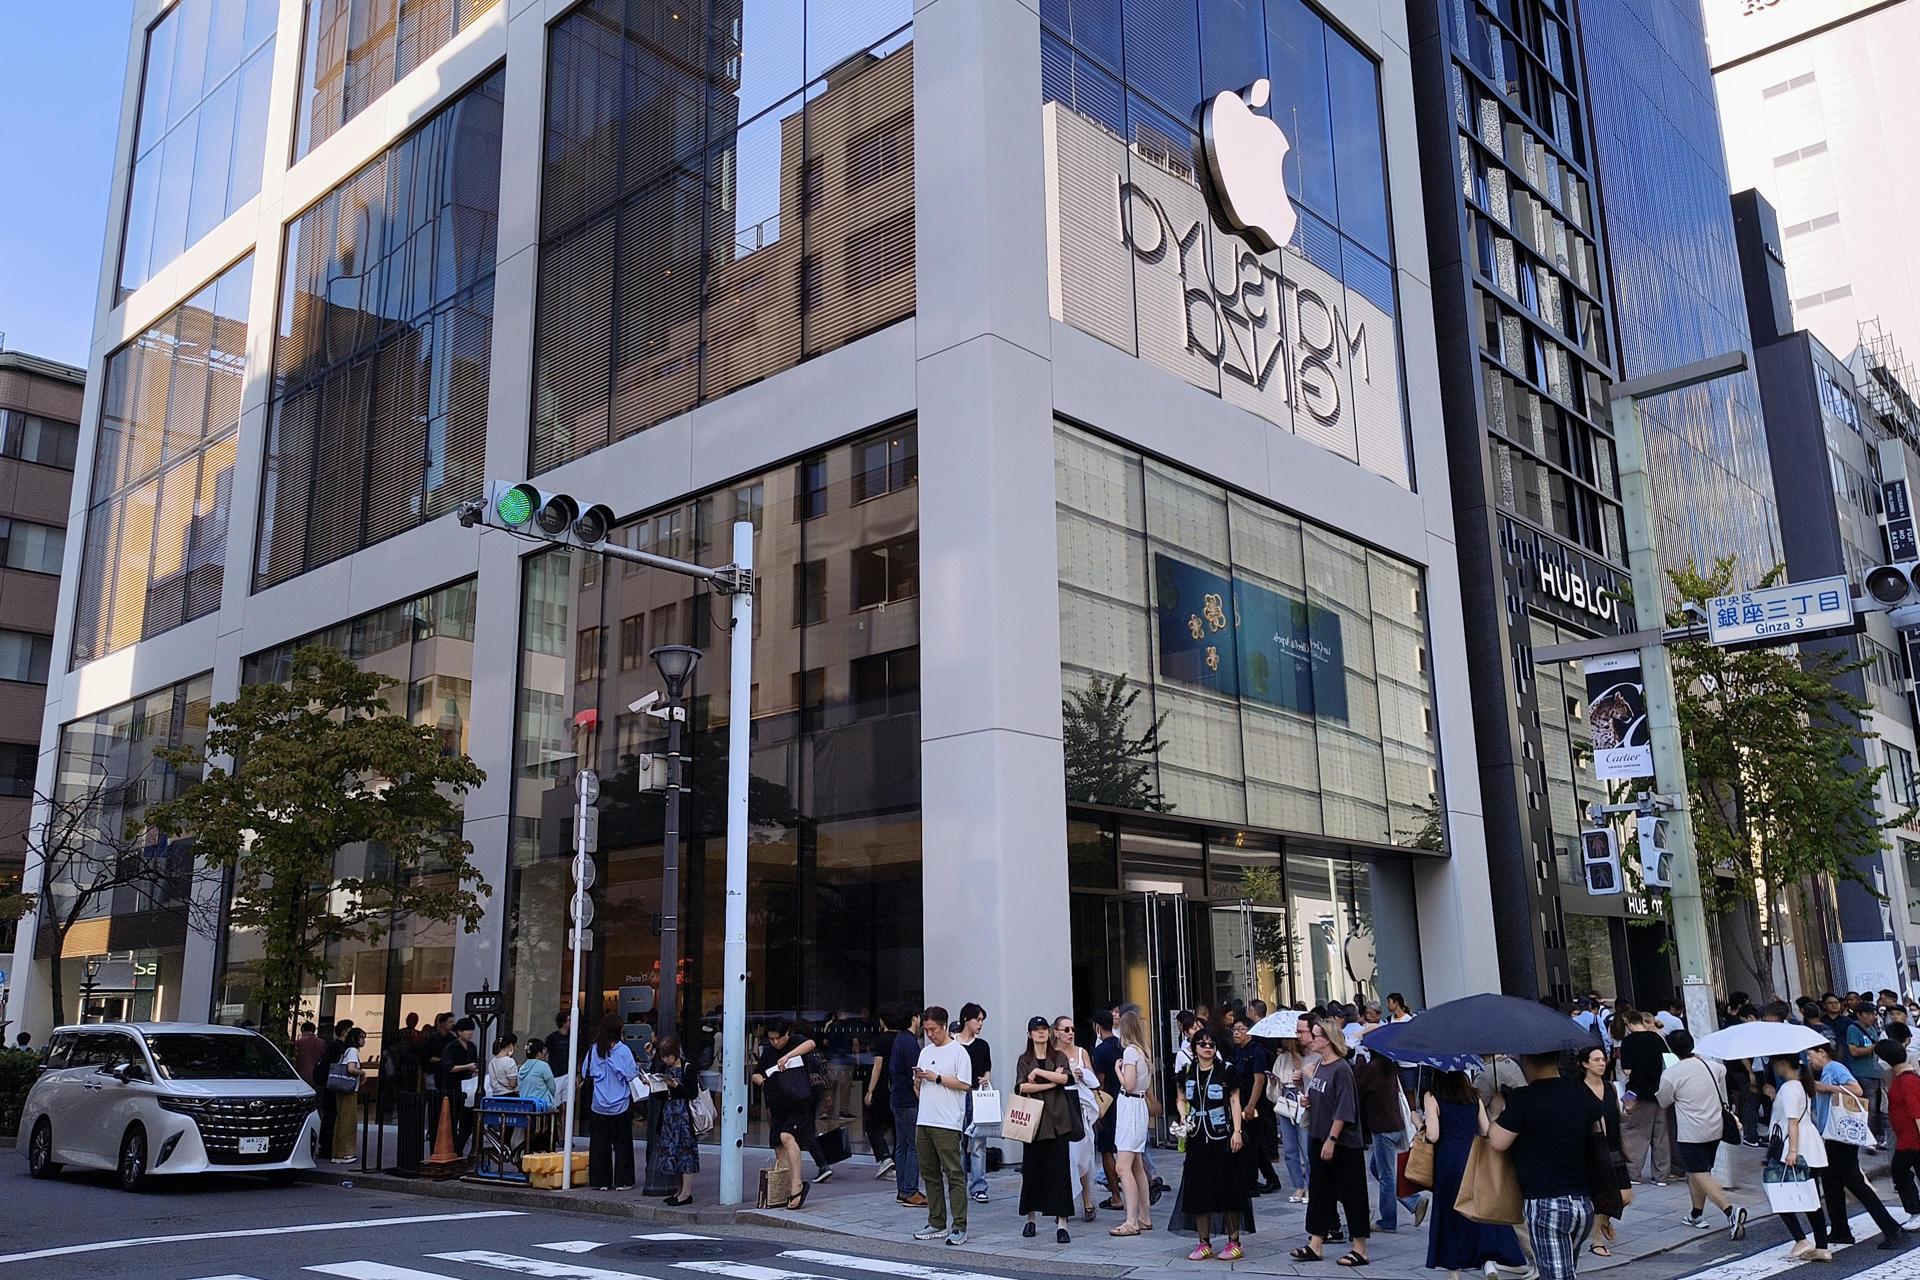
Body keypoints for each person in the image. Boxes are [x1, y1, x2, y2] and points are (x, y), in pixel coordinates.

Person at [1488, 1053, 1607, 1280]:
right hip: (1583, 1203)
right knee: (1566, 1269)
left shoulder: (1524, 1098)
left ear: (1528, 1061)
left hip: (1546, 1203)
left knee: (1556, 1275)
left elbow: (1497, 1141)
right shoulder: (1581, 1092)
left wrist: (1496, 1111)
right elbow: (1599, 1131)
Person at [1423, 1069, 1527, 1278]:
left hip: (1447, 1161)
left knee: (1450, 1213)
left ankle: (1455, 1271)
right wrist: (1497, 1109)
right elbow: (1486, 1129)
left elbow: (1433, 1135)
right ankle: (1488, 1262)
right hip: (1472, 1157)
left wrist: (1418, 1122)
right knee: (1478, 1210)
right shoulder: (1473, 1095)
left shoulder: (1432, 1096)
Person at [1807, 1039, 1906, 1247]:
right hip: (1831, 1134)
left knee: (1854, 1182)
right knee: (1831, 1181)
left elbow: (1857, 1090)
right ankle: (1840, 1229)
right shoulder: (1827, 1070)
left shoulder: (1834, 1067)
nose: (1809, 1060)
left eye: (1811, 1055)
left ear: (1822, 1052)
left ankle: (1892, 1228)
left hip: (1841, 1134)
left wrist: (1826, 1087)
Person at [1654, 1030, 1748, 1239]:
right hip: (1715, 1127)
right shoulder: (1711, 1066)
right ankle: (1696, 1214)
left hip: (1691, 1131)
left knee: (1699, 1172)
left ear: (1671, 1049)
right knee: (1700, 1172)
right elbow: (1723, 1072)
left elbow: (1663, 1100)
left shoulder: (1671, 1074)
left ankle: (1730, 1210)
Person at [1292, 1020, 1370, 1266]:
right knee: (1320, 1192)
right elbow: (1320, 1097)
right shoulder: (1318, 1067)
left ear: (1327, 1039)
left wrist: (1332, 1139)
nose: (1310, 1040)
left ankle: (1360, 1248)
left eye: (1314, 1036)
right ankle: (1315, 1243)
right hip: (1318, 1135)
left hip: (1342, 1142)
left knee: (1351, 1194)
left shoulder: (1341, 1069)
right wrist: (1306, 1099)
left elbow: (1345, 1108)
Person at [1170, 1028, 1251, 1260]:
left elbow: (1235, 1100)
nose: (1208, 1048)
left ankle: (1233, 1240)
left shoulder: (1226, 1070)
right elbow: (1181, 1099)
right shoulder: (1187, 1071)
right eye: (1203, 1044)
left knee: (1228, 1188)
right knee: (1198, 1189)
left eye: (1212, 1044)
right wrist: (1183, 1119)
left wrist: (1237, 1131)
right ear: (1194, 1048)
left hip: (1221, 1135)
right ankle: (1203, 1242)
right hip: (1197, 1137)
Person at [910, 1005, 973, 1246]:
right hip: (924, 1117)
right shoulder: (925, 1052)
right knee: (929, 1173)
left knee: (953, 1173)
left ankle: (959, 1225)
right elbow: (919, 1090)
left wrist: (936, 1077)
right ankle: (936, 1220)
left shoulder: (959, 1052)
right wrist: (918, 1080)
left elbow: (965, 1085)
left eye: (933, 1029)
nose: (930, 1034)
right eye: (926, 1030)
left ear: (945, 1026)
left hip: (947, 1121)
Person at [1014, 1016, 1077, 1244]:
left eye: (1043, 1029)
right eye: (1036, 1030)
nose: (1041, 1033)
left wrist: (1041, 1075)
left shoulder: (1058, 1056)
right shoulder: (1024, 1059)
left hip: (1058, 1121)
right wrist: (1051, 1083)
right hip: (1033, 1123)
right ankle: (1030, 1219)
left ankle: (1062, 1223)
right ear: (1029, 1034)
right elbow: (1022, 1086)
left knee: (1060, 1173)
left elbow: (1065, 1077)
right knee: (1031, 1172)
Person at [1765, 1054, 1833, 1261]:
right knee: (1811, 1198)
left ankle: (1801, 1239)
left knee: (1777, 1191)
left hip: (1794, 1147)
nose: (1774, 1067)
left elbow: (1791, 1122)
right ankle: (1821, 1246)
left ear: (1783, 1063)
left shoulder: (1788, 1088)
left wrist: (1792, 1151)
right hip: (1810, 1146)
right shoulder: (1802, 1086)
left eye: (1776, 1062)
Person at [1355, 1041, 1423, 1232]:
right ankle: (1413, 1201)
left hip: (1383, 1127)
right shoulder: (1389, 1066)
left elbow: (1358, 1086)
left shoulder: (1374, 1068)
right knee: (1377, 1168)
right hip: (1393, 1123)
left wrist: (1360, 1060)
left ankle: (1388, 1220)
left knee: (1386, 1175)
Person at [753, 1017, 821, 1204]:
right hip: (777, 1103)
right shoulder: (768, 1052)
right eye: (771, 1039)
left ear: (786, 1034)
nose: (775, 1042)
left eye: (778, 1038)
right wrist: (764, 1083)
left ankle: (796, 1185)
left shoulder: (795, 1042)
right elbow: (756, 1074)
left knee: (786, 1136)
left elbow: (811, 1043)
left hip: (799, 1102)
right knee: (778, 1143)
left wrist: (788, 1056)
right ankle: (784, 1188)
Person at [1105, 1007, 1156, 1236]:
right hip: (1139, 1105)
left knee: (1122, 1166)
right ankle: (1144, 1216)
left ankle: (1131, 1220)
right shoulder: (1143, 1052)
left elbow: (1128, 1083)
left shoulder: (1129, 1053)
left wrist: (1117, 1070)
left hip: (1130, 1106)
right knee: (1136, 1165)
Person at [1576, 1045, 1627, 1258]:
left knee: (1625, 1195)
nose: (1602, 1063)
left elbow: (1617, 1113)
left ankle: (1605, 1219)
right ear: (1585, 1064)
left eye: (1603, 1059)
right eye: (1596, 1060)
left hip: (1614, 1145)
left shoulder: (1610, 1087)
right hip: (1593, 1148)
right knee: (1602, 1195)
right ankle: (1595, 1241)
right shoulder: (1579, 1090)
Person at [582, 1012, 638, 1191]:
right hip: (620, 1104)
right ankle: (623, 1180)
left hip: (598, 1104)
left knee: (599, 1145)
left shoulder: (594, 1050)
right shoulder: (623, 1050)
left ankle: (600, 1181)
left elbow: (585, 1073)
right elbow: (631, 1074)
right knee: (622, 1145)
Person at [1229, 1015, 1283, 1196]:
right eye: (1234, 1029)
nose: (1236, 1033)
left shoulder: (1256, 1052)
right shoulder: (1237, 1051)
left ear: (1249, 1032)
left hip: (1255, 1104)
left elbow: (1259, 1080)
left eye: (1241, 1029)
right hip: (1240, 1101)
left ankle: (1250, 1185)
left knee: (1250, 1145)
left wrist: (1251, 1106)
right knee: (1256, 1144)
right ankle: (1272, 1179)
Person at [1616, 1011, 1672, 1186]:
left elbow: (1627, 1071)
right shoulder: (1657, 1039)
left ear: (1628, 1023)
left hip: (1638, 1093)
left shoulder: (1629, 1042)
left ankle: (1633, 1173)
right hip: (1660, 1091)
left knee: (1636, 1134)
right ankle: (1661, 1175)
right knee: (1661, 1136)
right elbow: (1668, 1064)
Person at [1055, 1014, 1101, 1222]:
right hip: (1059, 1110)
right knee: (1063, 1158)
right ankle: (1063, 1204)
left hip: (1080, 1110)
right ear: (1056, 1032)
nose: (1070, 1033)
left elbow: (1094, 1081)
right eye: (1066, 1030)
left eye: (1072, 1029)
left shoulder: (1082, 1053)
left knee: (1082, 1155)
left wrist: (1082, 1074)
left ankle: (1087, 1199)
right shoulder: (1052, 1054)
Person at [1873, 1040, 1920, 1226]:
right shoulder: (1904, 1078)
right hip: (1907, 1136)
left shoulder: (1907, 1081)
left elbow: (1917, 1113)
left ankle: (1915, 1211)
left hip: (1911, 1139)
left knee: (1899, 1172)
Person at [650, 1035, 701, 1206]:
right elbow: (660, 1096)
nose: (666, 1060)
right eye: (663, 1057)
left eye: (668, 1056)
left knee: (685, 1154)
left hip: (684, 1118)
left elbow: (692, 1093)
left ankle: (686, 1193)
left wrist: (676, 1086)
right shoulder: (664, 1068)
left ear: (675, 1053)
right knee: (673, 1155)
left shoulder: (688, 1068)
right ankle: (679, 1191)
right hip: (669, 1116)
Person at [888, 1009, 927, 1206]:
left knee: (902, 1146)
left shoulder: (899, 1039)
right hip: (908, 1100)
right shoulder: (910, 1042)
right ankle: (911, 1190)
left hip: (897, 1098)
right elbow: (916, 1074)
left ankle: (903, 1189)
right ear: (914, 1018)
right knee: (914, 1145)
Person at [955, 1002, 993, 1205]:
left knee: (979, 1142)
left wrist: (986, 1078)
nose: (980, 1024)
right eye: (977, 1019)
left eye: (981, 1020)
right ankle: (959, 1184)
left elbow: (987, 1068)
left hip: (977, 1094)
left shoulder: (982, 1045)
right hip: (958, 1095)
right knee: (958, 1141)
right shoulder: (953, 1044)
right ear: (965, 1019)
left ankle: (979, 1186)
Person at [1275, 1023, 1316, 1204]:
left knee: (1305, 1146)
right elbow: (1277, 1079)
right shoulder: (1282, 1058)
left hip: (1301, 1101)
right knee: (1289, 1148)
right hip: (1286, 1100)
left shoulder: (1310, 1056)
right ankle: (1298, 1185)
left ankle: (1310, 1185)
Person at [1090, 1009, 1125, 1211]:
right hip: (1125, 1102)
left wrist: (1098, 1107)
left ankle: (1116, 1196)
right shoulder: (1123, 1046)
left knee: (1106, 1150)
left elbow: (1099, 1081)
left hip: (1109, 1103)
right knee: (1124, 1149)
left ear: (1097, 1026)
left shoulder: (1101, 1051)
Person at [864, 1008, 900, 1179]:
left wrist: (870, 1090)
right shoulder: (904, 1039)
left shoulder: (881, 1040)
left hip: (882, 1089)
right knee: (896, 1128)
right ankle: (895, 1163)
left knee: (872, 1127)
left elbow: (877, 1066)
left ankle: (885, 1158)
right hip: (898, 1089)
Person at [438, 1016, 481, 1151]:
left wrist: (474, 1069)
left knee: (467, 1120)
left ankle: (459, 1147)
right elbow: (447, 1067)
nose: (470, 1033)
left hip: (468, 1088)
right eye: (466, 1030)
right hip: (453, 1087)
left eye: (471, 1030)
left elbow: (475, 1063)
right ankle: (453, 1149)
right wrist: (467, 1066)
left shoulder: (472, 1047)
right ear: (459, 1032)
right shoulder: (452, 1046)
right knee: (453, 1118)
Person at [1846, 1004, 1886, 1141]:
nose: (1872, 1017)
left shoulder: (1873, 1029)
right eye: (1868, 1014)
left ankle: (1876, 1136)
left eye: (1873, 1014)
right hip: (1862, 1073)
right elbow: (1854, 1051)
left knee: (1878, 1108)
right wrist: (1873, 1048)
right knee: (1870, 1108)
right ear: (1859, 1015)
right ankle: (1868, 1138)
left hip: (1876, 1072)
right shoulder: (1853, 1029)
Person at [318, 1019, 354, 1155]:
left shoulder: (333, 1045)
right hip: (335, 1084)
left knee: (330, 1114)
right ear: (345, 1031)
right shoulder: (340, 1047)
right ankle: (328, 1146)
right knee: (332, 1115)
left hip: (330, 1084)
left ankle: (326, 1145)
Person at [330, 1026, 365, 1162]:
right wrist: (362, 1073)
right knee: (348, 1122)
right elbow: (351, 1068)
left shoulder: (346, 1050)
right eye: (361, 1037)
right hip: (349, 1090)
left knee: (341, 1120)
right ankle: (346, 1152)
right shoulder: (352, 1051)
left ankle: (337, 1153)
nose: (363, 1040)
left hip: (341, 1089)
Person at [519, 1037, 557, 1109]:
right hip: (542, 1105)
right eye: (544, 1050)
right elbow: (552, 1087)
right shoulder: (543, 1066)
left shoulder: (522, 1068)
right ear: (539, 1054)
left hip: (525, 1105)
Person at [293, 1021, 325, 1089]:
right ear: (314, 1030)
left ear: (303, 1029)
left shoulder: (298, 1043)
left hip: (301, 1074)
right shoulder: (321, 1042)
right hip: (318, 1076)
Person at [487, 1033, 520, 1098]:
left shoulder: (492, 1062)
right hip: (509, 1096)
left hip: (495, 1096)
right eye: (516, 1046)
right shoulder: (509, 1061)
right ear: (511, 1045)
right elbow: (512, 1084)